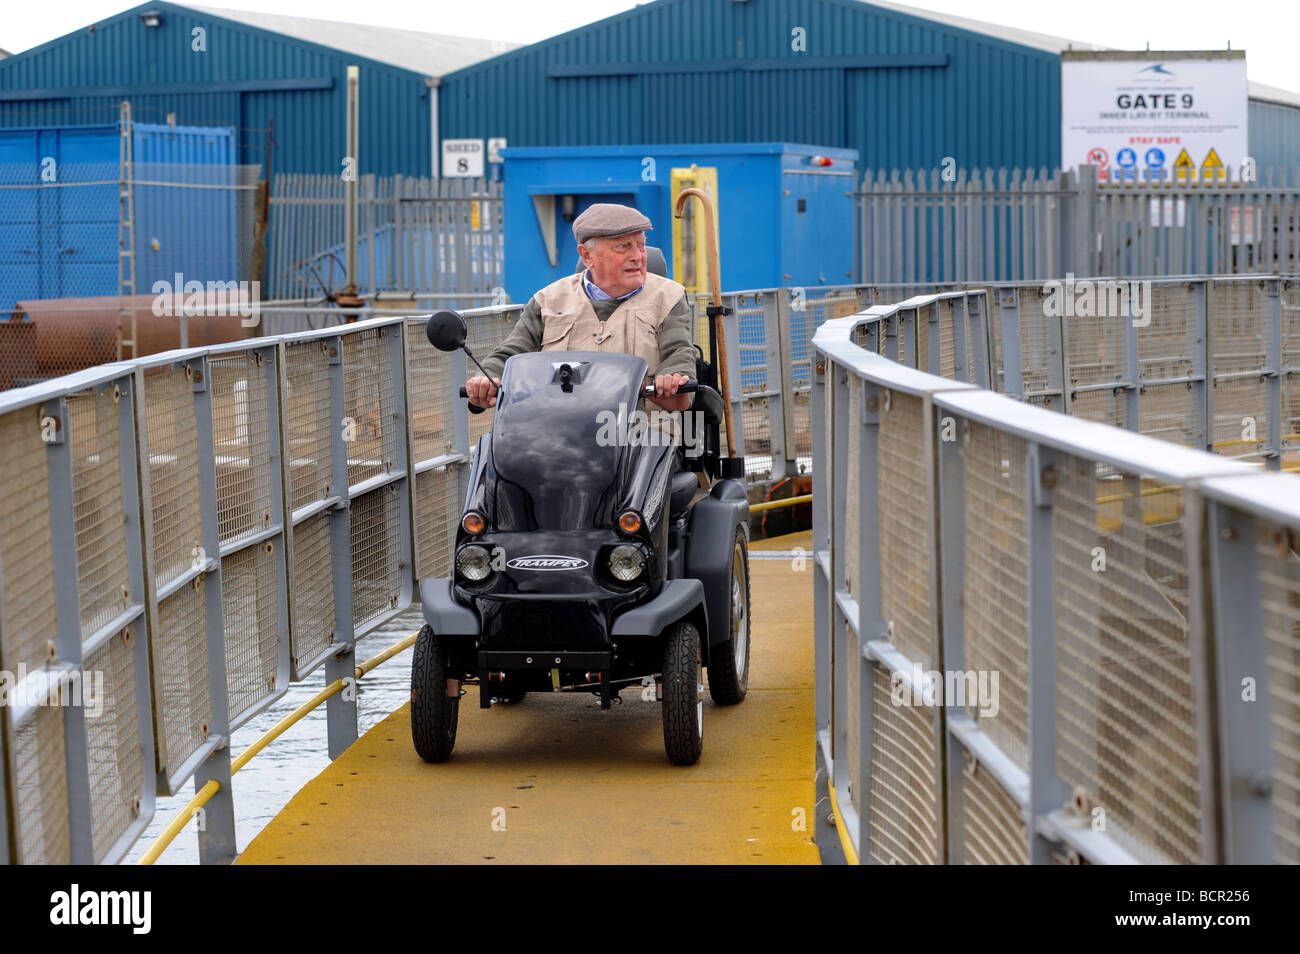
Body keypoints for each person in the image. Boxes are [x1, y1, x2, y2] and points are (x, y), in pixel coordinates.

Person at [465, 203, 696, 412]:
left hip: (641, 438)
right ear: (586, 255)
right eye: (624, 247)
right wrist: (488, 377)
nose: (637, 256)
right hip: (557, 435)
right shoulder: (548, 300)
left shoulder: (669, 297)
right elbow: (513, 351)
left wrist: (672, 378)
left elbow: (678, 352)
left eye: (641, 246)